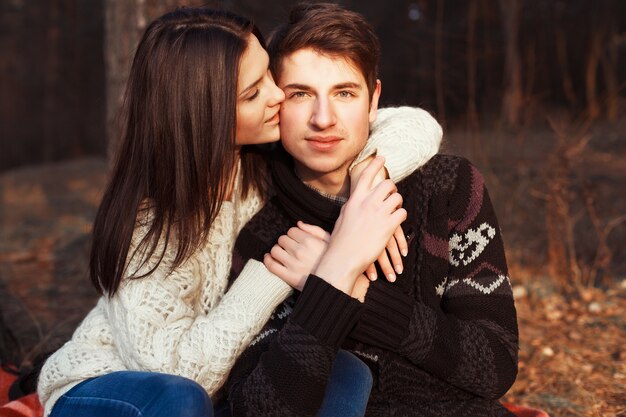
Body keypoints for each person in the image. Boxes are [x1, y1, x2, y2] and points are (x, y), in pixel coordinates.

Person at [36, 6, 443, 417]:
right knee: (181, 399)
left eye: (267, 74)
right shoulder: (148, 226)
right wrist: (271, 271)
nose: (277, 95)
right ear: (205, 115)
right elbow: (180, 373)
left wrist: (366, 183)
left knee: (344, 372)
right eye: (253, 93)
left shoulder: (259, 165)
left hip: (214, 389)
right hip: (108, 387)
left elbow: (415, 125)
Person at [224, 3, 519, 416]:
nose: (323, 119)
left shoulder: (449, 189)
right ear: (275, 102)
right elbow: (260, 407)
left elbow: (493, 365)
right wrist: (335, 276)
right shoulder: (259, 229)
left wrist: (345, 289)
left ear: (373, 99)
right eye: (301, 94)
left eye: (344, 93)